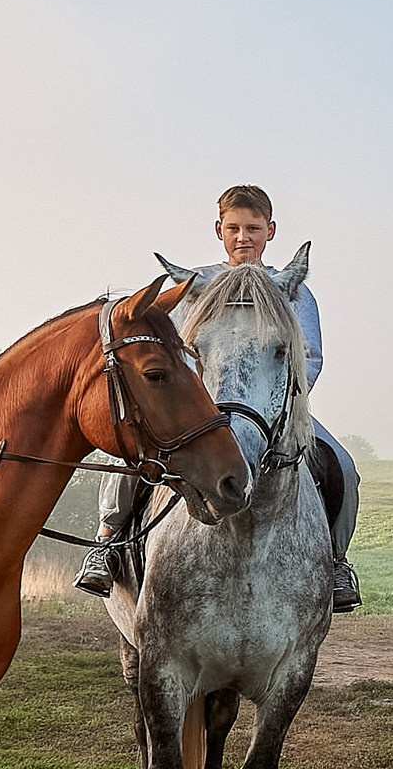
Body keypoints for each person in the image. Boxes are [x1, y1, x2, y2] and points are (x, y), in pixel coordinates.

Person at [75, 184, 363, 612]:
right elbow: (175, 354)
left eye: (252, 227)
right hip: (198, 410)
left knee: (343, 466)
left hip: (275, 409)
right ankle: (108, 541)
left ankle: (337, 563)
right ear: (219, 230)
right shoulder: (193, 287)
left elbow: (310, 357)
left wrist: (279, 404)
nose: (243, 236)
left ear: (271, 230)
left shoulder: (295, 292)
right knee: (128, 459)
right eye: (234, 227)